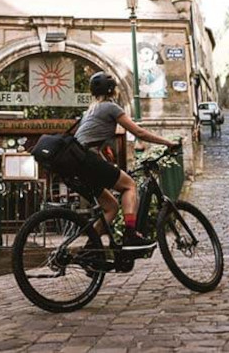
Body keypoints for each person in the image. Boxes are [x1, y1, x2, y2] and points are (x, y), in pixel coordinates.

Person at [72, 71, 178, 250]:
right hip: (87, 161)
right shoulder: (110, 107)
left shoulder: (90, 111)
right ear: (113, 90)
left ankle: (90, 249)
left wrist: (107, 163)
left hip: (78, 163)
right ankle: (130, 234)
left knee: (111, 207)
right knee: (129, 186)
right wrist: (167, 142)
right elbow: (139, 133)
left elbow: (90, 144)